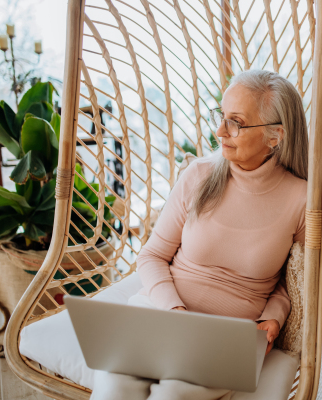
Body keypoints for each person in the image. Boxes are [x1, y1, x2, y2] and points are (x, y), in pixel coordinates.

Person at [90, 70, 308, 400]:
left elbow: (293, 281)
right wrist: (174, 313)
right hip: (161, 313)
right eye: (220, 116)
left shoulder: (301, 199)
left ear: (275, 136)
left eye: (236, 122)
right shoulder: (199, 175)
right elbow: (151, 256)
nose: (220, 131)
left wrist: (273, 317)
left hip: (224, 338)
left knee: (173, 395)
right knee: (114, 385)